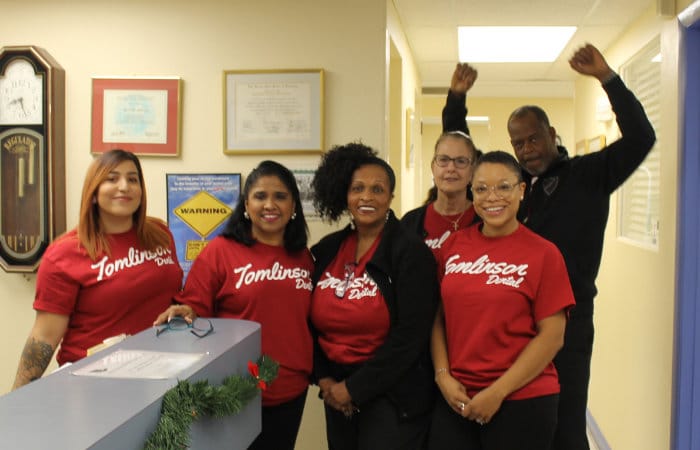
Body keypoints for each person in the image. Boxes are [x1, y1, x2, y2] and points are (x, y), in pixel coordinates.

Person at [442, 43, 656, 450]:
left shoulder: (589, 175)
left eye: (533, 138)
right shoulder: (510, 188)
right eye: (518, 142)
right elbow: (470, 159)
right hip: (512, 328)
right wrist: (456, 100)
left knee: (565, 428)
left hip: (567, 327)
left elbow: (641, 138)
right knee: (514, 425)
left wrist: (607, 78)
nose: (527, 149)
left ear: (552, 134)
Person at [154, 160, 313, 450]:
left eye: (280, 196)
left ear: (293, 207)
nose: (270, 204)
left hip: (291, 388)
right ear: (245, 205)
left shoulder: (303, 256)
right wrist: (186, 310)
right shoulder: (220, 251)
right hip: (236, 389)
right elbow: (194, 304)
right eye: (260, 196)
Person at [428, 150, 575, 450]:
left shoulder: (544, 253)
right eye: (481, 188)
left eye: (504, 187)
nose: (492, 197)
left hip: (523, 398)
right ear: (472, 192)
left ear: (521, 190)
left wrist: (497, 392)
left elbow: (553, 336)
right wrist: (442, 376)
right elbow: (437, 318)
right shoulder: (454, 245)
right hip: (457, 397)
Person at [12, 149, 182, 389]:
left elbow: (172, 296)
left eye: (133, 179)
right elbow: (44, 338)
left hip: (159, 373)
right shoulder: (64, 253)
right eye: (112, 179)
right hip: (92, 381)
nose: (124, 186)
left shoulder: (160, 235)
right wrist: (17, 401)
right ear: (93, 192)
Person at [309, 142, 439, 449]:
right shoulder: (327, 250)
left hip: (394, 396)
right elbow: (306, 321)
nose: (366, 197)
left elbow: (411, 336)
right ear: (346, 195)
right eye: (358, 188)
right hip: (336, 390)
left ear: (391, 197)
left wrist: (354, 389)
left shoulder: (410, 253)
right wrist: (325, 380)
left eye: (377, 189)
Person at [401, 129, 481, 255]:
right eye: (443, 160)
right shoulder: (410, 223)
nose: (451, 168)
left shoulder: (485, 221)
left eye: (460, 161)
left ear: (472, 171)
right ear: (433, 167)